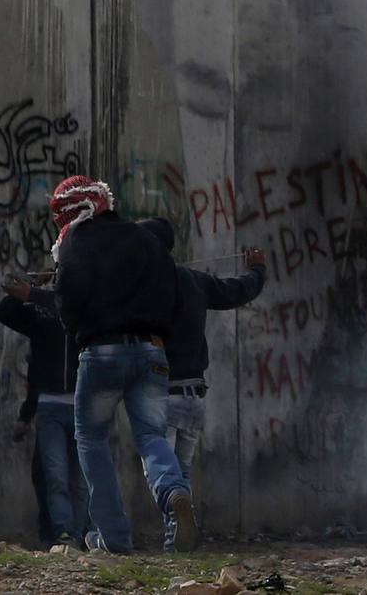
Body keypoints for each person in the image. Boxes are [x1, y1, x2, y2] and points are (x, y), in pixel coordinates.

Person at [19, 175, 195, 554]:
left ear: (75, 209)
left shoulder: (76, 243)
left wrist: (80, 330)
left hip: (102, 354)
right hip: (153, 351)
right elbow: (175, 292)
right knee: (151, 436)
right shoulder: (147, 239)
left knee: (92, 440)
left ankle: (114, 538)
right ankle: (173, 491)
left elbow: (66, 300)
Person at [138, 218, 268, 552]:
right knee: (180, 470)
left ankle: (174, 517)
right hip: (195, 395)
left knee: (160, 472)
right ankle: (177, 545)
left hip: (161, 394)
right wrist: (257, 269)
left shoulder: (141, 288)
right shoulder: (194, 281)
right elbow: (239, 290)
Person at [0, 289, 88, 548]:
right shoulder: (43, 313)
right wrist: (33, 291)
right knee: (56, 475)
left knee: (78, 479)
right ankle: (65, 534)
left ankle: (76, 535)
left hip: (81, 405)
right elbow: (4, 310)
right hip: (51, 404)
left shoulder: (87, 308)